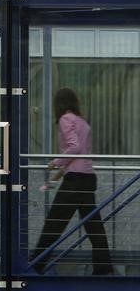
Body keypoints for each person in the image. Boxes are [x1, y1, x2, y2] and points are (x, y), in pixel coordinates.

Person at [31, 88, 114, 275]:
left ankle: (35, 266)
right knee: (94, 226)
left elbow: (74, 148)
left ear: (59, 104)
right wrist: (57, 176)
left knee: (54, 223)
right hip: (87, 178)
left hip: (75, 181)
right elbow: (80, 155)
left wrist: (54, 162)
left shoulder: (65, 119)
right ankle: (103, 268)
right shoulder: (82, 123)